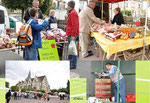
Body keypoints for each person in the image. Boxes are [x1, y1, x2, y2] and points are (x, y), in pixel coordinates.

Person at [66, 1, 79, 69]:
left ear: (69, 6)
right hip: (71, 33)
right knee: (71, 49)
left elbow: (75, 25)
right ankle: (70, 63)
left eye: (67, 5)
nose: (67, 6)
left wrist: (73, 35)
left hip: (72, 34)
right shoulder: (71, 12)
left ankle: (73, 64)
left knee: (73, 49)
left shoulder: (73, 13)